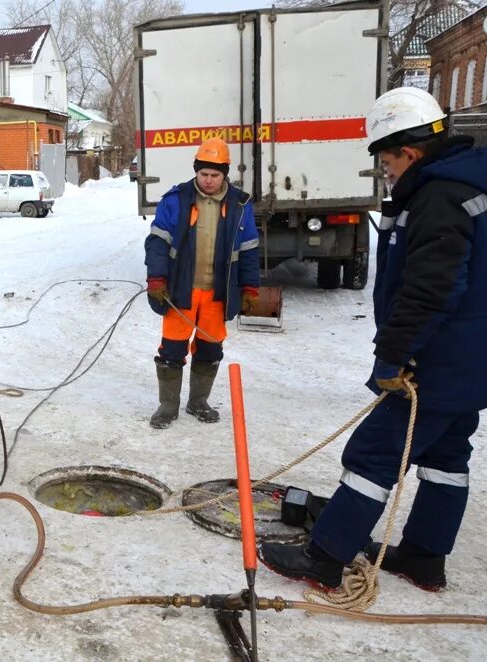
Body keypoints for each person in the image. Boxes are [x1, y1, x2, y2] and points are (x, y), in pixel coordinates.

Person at [260, 87, 487, 592]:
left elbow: (433, 288)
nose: (385, 172)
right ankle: (425, 558)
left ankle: (324, 556)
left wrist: (395, 354)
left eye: (387, 161)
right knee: (447, 459)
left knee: (375, 454)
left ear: (409, 152)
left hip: (438, 361)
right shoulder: (468, 186)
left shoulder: (441, 197)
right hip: (471, 361)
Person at [144, 137, 260, 429]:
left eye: (214, 175)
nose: (208, 181)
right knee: (172, 350)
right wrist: (156, 278)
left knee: (210, 350)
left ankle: (198, 402)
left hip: (217, 293)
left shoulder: (239, 204)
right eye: (203, 174)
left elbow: (248, 249)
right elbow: (157, 241)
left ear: (225, 174)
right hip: (181, 291)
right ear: (196, 171)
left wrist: (249, 287)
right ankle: (167, 406)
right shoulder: (176, 199)